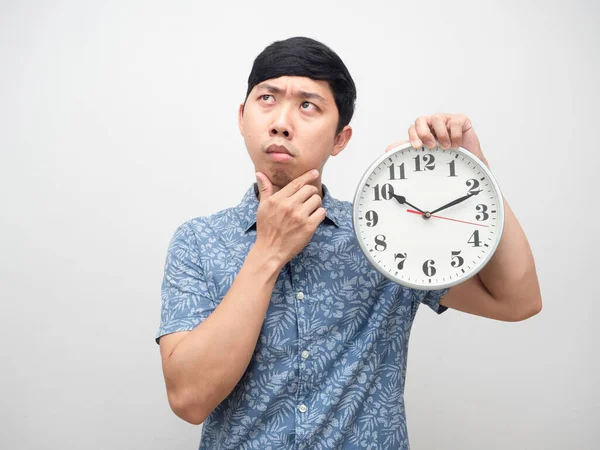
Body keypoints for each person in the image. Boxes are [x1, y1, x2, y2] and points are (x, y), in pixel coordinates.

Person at [155, 36, 542, 449]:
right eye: (267, 98)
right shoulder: (198, 241)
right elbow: (189, 399)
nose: (282, 121)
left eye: (308, 105)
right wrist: (268, 250)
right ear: (242, 117)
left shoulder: (385, 234)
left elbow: (517, 301)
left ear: (341, 138)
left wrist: (477, 172)